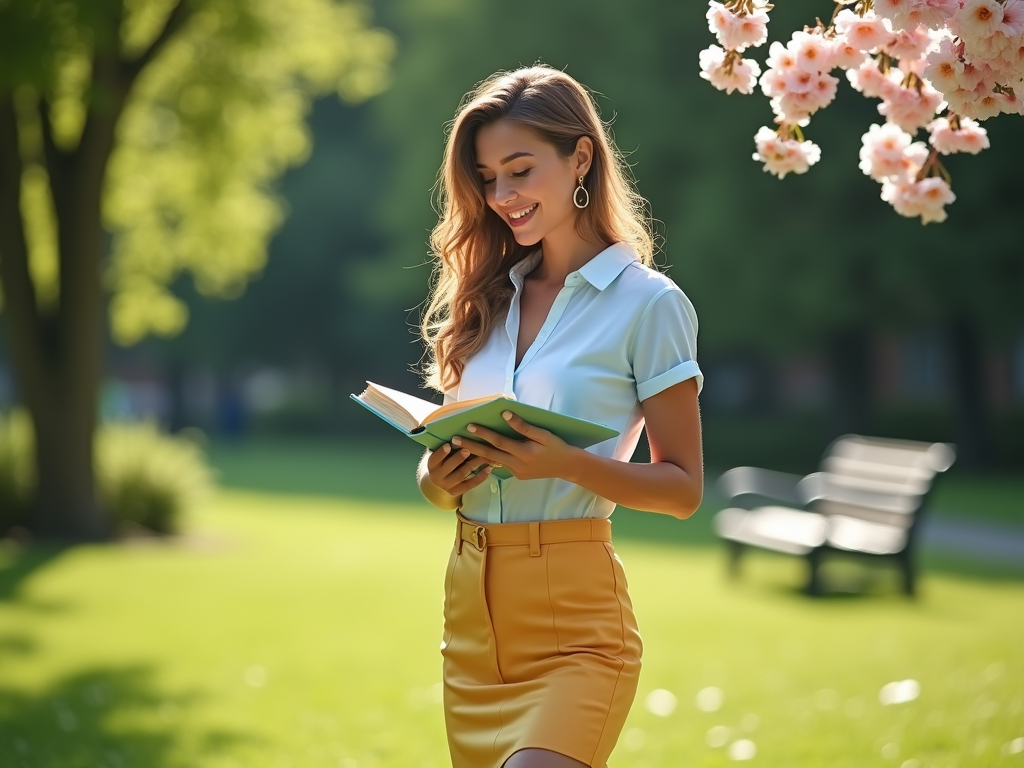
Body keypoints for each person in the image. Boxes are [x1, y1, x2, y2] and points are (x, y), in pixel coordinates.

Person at [416, 65, 704, 768]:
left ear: (580, 156)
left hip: (576, 623)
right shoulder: (486, 299)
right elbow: (434, 485)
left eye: (520, 170)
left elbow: (684, 489)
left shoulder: (649, 304)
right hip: (472, 613)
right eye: (487, 178)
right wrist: (440, 472)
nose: (503, 196)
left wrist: (565, 465)